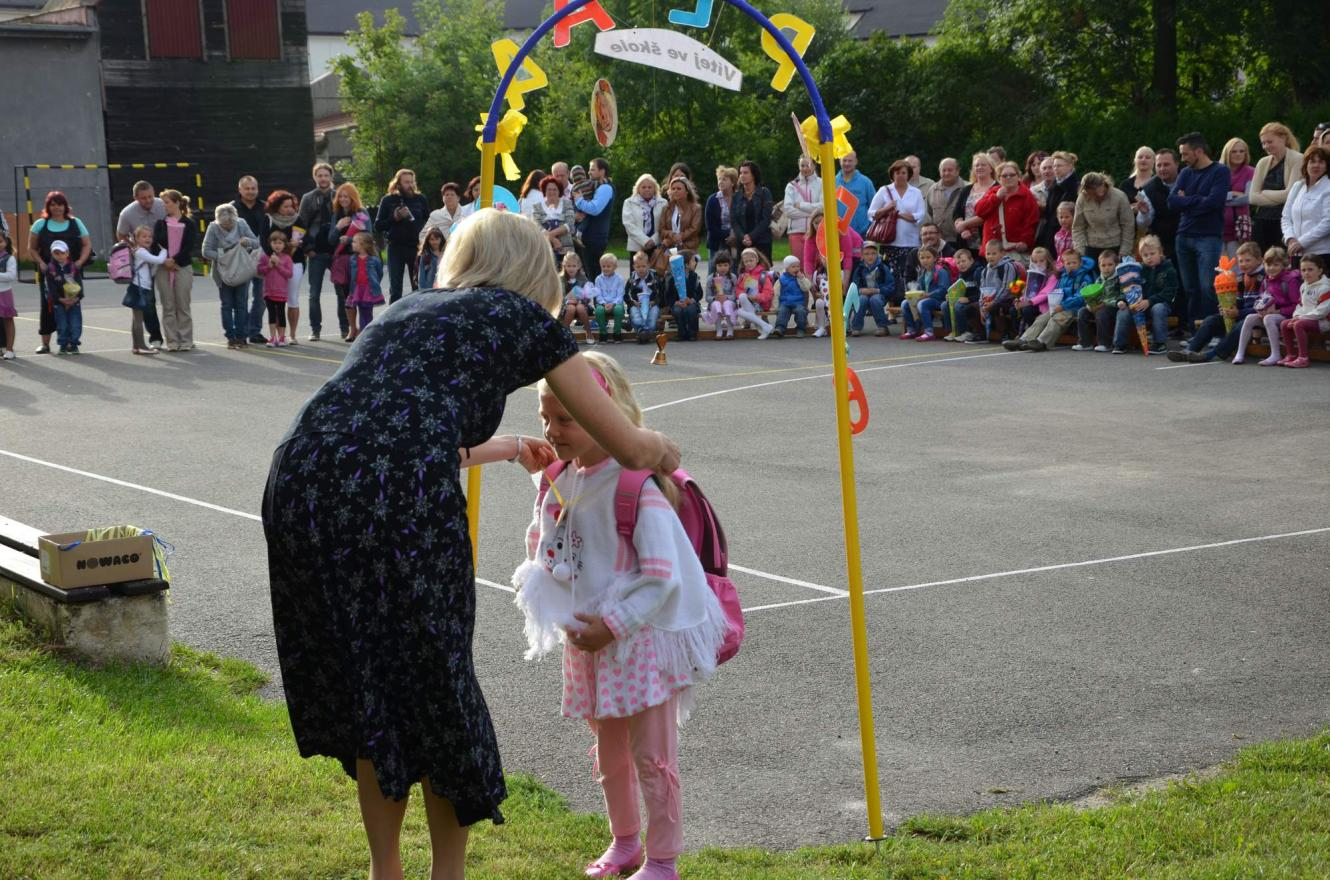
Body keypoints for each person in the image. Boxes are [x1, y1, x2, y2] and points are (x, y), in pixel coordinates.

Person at [263, 209, 679, 880]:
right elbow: (626, 443)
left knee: (373, 685)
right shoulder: (520, 318)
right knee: (437, 689)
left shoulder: (406, 310)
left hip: (301, 478)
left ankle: (385, 871)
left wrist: (510, 445)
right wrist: (664, 452)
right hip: (395, 494)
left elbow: (393, 429)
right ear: (532, 272)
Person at [515, 349, 723, 880]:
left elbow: (662, 576)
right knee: (610, 758)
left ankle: (663, 860)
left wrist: (613, 625)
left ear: (602, 412)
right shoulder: (560, 477)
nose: (552, 429)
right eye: (545, 416)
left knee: (653, 759)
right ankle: (626, 842)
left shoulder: (636, 486)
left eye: (565, 417)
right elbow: (549, 543)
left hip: (639, 646)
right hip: (590, 645)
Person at [1169, 132, 1231, 334]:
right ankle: (1195, 332)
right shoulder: (1186, 173)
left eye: (1185, 154)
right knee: (1190, 288)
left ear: (1199, 151)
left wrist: (1187, 200)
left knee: (1208, 287)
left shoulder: (1220, 171)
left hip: (1208, 236)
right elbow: (1172, 201)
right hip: (1184, 235)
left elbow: (1215, 201)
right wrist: (1198, 200)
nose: (1183, 159)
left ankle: (1213, 331)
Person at [1167, 239, 1257, 363]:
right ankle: (1189, 350)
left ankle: (1212, 354)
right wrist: (1228, 308)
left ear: (1259, 260)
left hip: (1255, 319)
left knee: (1242, 324)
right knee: (1211, 320)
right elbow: (1240, 302)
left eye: (1248, 260)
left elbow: (1261, 307)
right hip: (1241, 315)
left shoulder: (1263, 278)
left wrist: (1239, 313)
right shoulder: (1241, 279)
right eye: (1241, 261)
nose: (1244, 264)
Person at [27, 191, 91, 354]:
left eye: (60, 204)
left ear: (65, 206)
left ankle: (71, 342)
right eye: (53, 204)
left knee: (72, 306)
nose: (57, 208)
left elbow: (86, 244)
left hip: (71, 274)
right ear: (48, 207)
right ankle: (46, 343)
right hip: (50, 274)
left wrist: (79, 262)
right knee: (48, 306)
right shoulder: (40, 224)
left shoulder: (76, 223)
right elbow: (32, 248)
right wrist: (41, 263)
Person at [1012, 248, 1096, 352]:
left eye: (1074, 263)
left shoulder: (1084, 277)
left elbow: (1081, 296)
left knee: (1057, 319)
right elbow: (1058, 291)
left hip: (1074, 308)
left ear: (1080, 263)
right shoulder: (1064, 277)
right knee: (1042, 318)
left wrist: (1063, 305)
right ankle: (1024, 339)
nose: (1071, 265)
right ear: (1064, 264)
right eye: (1068, 263)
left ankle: (1043, 341)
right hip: (1060, 306)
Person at [202, 203, 260, 350]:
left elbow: (256, 243)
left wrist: (246, 241)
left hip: (241, 270)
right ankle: (230, 336)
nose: (227, 226)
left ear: (235, 219)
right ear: (218, 221)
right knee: (227, 305)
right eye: (224, 225)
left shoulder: (241, 224)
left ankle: (242, 336)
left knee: (241, 304)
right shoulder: (213, 227)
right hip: (223, 272)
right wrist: (223, 256)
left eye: (230, 224)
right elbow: (206, 251)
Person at [869, 159, 927, 294]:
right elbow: (871, 213)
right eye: (897, 172)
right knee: (890, 276)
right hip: (889, 241)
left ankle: (909, 304)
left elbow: (919, 215)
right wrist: (887, 209)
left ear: (908, 175)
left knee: (909, 275)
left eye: (903, 172)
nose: (900, 175)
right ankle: (891, 308)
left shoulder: (916, 192)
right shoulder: (884, 190)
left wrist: (898, 214)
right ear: (892, 174)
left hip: (910, 242)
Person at [296, 162, 338, 341]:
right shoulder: (308, 198)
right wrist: (306, 248)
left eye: (326, 175)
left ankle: (345, 327)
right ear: (315, 177)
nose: (323, 179)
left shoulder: (339, 196)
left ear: (331, 177)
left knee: (342, 292)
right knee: (314, 293)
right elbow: (301, 224)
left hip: (336, 251)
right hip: (316, 252)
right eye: (319, 175)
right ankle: (315, 329)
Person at [374, 168, 428, 303]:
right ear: (398, 183)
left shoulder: (420, 199)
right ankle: (394, 321)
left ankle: (417, 317)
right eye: (406, 182)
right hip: (395, 247)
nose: (409, 185)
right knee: (395, 289)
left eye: (411, 182)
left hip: (416, 247)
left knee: (418, 286)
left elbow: (429, 221)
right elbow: (378, 226)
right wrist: (394, 217)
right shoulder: (388, 200)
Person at [151, 189, 196, 351]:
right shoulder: (160, 224)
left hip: (182, 267)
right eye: (163, 202)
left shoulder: (189, 223)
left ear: (177, 203)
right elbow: (155, 245)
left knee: (182, 305)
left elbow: (189, 246)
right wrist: (165, 260)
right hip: (164, 268)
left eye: (167, 202)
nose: (164, 206)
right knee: (168, 305)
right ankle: (172, 340)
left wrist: (175, 260)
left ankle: (186, 339)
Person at [1249, 122, 1303, 253]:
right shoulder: (1263, 162)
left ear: (1283, 138)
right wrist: (1279, 195)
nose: (1266, 146)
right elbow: (1252, 198)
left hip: (1283, 223)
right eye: (1263, 143)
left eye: (1270, 141)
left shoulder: (1297, 159)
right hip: (1261, 221)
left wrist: (1264, 192)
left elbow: (1290, 194)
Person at [327, 183, 371, 341]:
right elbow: (331, 240)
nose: (343, 199)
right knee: (347, 297)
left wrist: (350, 239)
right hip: (341, 261)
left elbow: (369, 236)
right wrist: (338, 228)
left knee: (361, 295)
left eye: (346, 196)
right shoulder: (336, 215)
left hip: (358, 259)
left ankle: (365, 329)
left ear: (353, 197)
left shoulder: (361, 213)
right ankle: (352, 329)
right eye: (341, 196)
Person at [229, 176, 269, 345]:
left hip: (262, 256)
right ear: (240, 190)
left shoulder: (266, 207)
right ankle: (242, 331)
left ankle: (254, 331)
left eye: (254, 188)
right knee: (241, 297)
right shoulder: (231, 208)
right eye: (247, 188)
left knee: (262, 296)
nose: (251, 192)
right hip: (241, 257)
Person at [976, 161, 1039, 263]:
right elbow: (979, 211)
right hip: (992, 250)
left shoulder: (1026, 195)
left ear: (1018, 176)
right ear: (999, 178)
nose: (1008, 178)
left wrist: (1025, 241)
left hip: (1014, 250)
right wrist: (996, 198)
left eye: (1012, 175)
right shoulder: (993, 191)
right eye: (1004, 176)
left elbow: (1031, 222)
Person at [265, 190, 306, 343]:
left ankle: (292, 335)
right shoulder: (269, 220)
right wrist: (273, 257)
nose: (290, 209)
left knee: (293, 298)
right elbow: (264, 241)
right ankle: (276, 335)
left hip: (295, 263)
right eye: (285, 206)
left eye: (291, 206)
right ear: (276, 207)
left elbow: (305, 240)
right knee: (275, 299)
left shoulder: (298, 220)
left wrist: (298, 244)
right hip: (273, 264)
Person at [1251, 247, 1304, 365]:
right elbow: (1261, 299)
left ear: (1284, 265)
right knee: (1250, 317)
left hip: (1288, 315)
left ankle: (1275, 354)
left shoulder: (1290, 281)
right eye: (1268, 265)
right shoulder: (1265, 281)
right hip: (1272, 314)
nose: (1271, 268)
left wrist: (1278, 311)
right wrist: (1260, 309)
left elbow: (1297, 305)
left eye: (1276, 265)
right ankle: (1240, 352)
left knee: (1269, 318)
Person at [1276, 254, 1330, 368]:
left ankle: (1303, 358)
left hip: (1324, 321)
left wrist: (1300, 319)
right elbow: (1300, 305)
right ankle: (1291, 354)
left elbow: (1322, 311)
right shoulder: (1304, 286)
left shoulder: (1325, 287)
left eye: (1310, 269)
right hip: (1307, 319)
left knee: (1298, 324)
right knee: (1284, 324)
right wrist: (1296, 316)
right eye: (1303, 270)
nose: (1306, 273)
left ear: (1320, 270)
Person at [1281, 145, 1330, 264]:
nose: (1316, 165)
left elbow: (1327, 222)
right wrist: (1291, 239)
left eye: (1321, 162)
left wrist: (1302, 242)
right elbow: (1286, 217)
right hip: (1296, 253)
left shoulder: (1328, 187)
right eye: (1312, 161)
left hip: (1320, 253)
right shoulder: (1298, 186)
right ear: (1306, 164)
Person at [1071, 172, 1134, 263]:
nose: (1099, 193)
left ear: (1104, 183)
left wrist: (1125, 250)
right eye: (1093, 191)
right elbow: (1078, 227)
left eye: (1100, 187)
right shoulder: (1082, 199)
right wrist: (1080, 252)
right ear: (1086, 190)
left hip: (1115, 246)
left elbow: (1128, 225)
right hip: (1091, 247)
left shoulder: (1120, 197)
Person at [126, 225, 167, 356]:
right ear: (136, 238)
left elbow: (152, 270)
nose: (148, 239)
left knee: (136, 318)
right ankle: (140, 346)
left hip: (140, 286)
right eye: (144, 236)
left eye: (150, 236)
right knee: (138, 318)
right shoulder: (140, 252)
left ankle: (136, 346)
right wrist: (164, 251)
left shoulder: (141, 251)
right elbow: (159, 260)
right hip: (139, 288)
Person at [1073, 250, 1122, 352]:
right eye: (1103, 265)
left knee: (1101, 313)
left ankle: (1105, 343)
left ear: (1116, 265)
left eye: (1110, 265)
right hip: (1099, 305)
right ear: (1099, 266)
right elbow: (1093, 295)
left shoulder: (1119, 278)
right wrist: (1089, 305)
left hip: (1114, 306)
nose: (1107, 268)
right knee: (1082, 312)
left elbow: (1121, 295)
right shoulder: (1099, 279)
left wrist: (1103, 304)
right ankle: (1085, 343)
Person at [901, 246, 952, 341]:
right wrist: (912, 295)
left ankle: (929, 332)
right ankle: (911, 329)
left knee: (922, 303)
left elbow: (944, 289)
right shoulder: (923, 272)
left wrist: (929, 295)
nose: (925, 260)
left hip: (939, 300)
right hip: (926, 299)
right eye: (922, 258)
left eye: (928, 257)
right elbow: (920, 288)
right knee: (905, 303)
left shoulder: (941, 271)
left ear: (935, 258)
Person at [576, 158, 616, 273]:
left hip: (595, 238)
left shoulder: (605, 188)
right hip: (590, 238)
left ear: (602, 171)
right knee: (590, 273)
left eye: (592, 169)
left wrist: (579, 200)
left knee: (594, 274)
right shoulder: (598, 186)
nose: (589, 172)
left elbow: (595, 209)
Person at [784, 155, 823, 273]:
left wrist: (801, 205)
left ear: (814, 166)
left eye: (808, 165)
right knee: (798, 267)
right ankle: (802, 291)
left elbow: (823, 207)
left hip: (816, 230)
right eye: (802, 165)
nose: (805, 168)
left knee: (818, 265)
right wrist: (812, 212)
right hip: (796, 231)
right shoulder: (791, 186)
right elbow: (788, 210)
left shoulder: (822, 183)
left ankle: (817, 290)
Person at [953, 153, 997, 255]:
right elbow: (957, 213)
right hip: (965, 241)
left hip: (987, 241)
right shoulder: (967, 189)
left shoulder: (996, 188)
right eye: (977, 165)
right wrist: (963, 230)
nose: (979, 167)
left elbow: (988, 214)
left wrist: (964, 225)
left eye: (983, 165)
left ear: (991, 168)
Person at [1035, 151, 1080, 252]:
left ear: (1070, 166)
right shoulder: (1054, 185)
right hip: (1051, 234)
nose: (1055, 169)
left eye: (1059, 166)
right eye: (1054, 166)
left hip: (1067, 235)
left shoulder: (1075, 187)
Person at [1142, 148, 1182, 260]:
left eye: (1166, 165)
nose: (1162, 169)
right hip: (1163, 246)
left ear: (1177, 164)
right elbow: (1143, 223)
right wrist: (1144, 214)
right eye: (1159, 165)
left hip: (1189, 241)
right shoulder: (1148, 189)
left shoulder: (1189, 180)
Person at [731, 161, 774, 263]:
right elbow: (734, 220)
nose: (742, 175)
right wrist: (743, 237)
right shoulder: (736, 196)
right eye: (740, 173)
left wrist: (751, 236)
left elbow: (766, 219)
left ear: (754, 175)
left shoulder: (764, 193)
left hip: (762, 242)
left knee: (763, 275)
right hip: (742, 243)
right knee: (743, 276)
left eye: (746, 173)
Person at [46, 239, 84, 355]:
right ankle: (63, 345)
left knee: (75, 323)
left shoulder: (73, 268)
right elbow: (51, 289)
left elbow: (79, 285)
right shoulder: (50, 269)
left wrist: (76, 298)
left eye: (62, 253)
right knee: (62, 324)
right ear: (52, 254)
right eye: (56, 253)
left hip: (74, 301)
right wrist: (61, 300)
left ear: (67, 253)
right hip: (59, 302)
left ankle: (73, 344)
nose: (60, 256)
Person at [656, 177, 702, 273]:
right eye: (673, 189)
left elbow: (694, 228)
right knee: (670, 278)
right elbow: (662, 229)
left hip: (688, 247)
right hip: (670, 248)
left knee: (687, 277)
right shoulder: (667, 208)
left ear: (687, 192)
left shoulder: (696, 208)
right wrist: (672, 236)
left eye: (679, 189)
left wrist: (680, 236)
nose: (675, 191)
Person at [849, 241, 895, 336]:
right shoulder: (859, 269)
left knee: (875, 299)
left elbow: (891, 286)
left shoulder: (883, 268)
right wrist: (860, 290)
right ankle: (856, 327)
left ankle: (882, 327)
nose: (870, 256)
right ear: (862, 256)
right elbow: (854, 286)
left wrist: (878, 290)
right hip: (864, 294)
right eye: (867, 254)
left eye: (873, 253)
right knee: (861, 299)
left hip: (879, 294)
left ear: (878, 254)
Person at [258, 230, 294, 347]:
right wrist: (269, 266)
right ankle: (273, 337)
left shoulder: (287, 258)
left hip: (281, 292)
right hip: (269, 292)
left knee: (281, 314)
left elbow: (289, 274)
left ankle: (282, 337)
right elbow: (260, 270)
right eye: (274, 243)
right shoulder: (265, 257)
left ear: (284, 245)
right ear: (270, 244)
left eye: (280, 243)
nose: (277, 245)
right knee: (271, 314)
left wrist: (278, 265)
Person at [1220, 137, 1256, 258]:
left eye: (1242, 151)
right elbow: (1211, 197)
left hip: (1239, 229)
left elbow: (1247, 198)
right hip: (1217, 226)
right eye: (1234, 151)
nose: (1238, 154)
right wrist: (1233, 194)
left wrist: (1221, 199)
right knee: (1219, 268)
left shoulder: (1250, 171)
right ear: (1227, 153)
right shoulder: (1218, 171)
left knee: (1237, 266)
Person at [526, 175, 575, 262]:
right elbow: (537, 226)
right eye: (549, 189)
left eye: (554, 189)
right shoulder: (537, 207)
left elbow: (570, 223)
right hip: (545, 248)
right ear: (544, 190)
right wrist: (553, 240)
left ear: (559, 191)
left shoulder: (567, 204)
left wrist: (551, 235)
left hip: (566, 249)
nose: (552, 192)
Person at [346, 231, 384, 337]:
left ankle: (366, 333)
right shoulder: (353, 259)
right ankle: (364, 334)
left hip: (369, 290)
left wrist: (373, 285)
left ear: (362, 245)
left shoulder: (374, 260)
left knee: (367, 312)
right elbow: (350, 274)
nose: (352, 244)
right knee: (362, 311)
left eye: (354, 242)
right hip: (358, 290)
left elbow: (379, 274)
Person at [623, 174, 665, 266]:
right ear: (638, 188)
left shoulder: (663, 203)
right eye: (643, 187)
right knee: (637, 276)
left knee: (656, 277)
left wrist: (653, 240)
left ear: (655, 189)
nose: (647, 189)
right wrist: (645, 241)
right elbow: (629, 224)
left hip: (657, 246)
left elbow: (665, 225)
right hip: (637, 247)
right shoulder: (629, 202)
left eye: (650, 187)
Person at [662, 251, 702, 341]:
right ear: (686, 264)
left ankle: (692, 333)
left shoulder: (694, 277)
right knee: (678, 311)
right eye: (693, 260)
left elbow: (699, 293)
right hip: (677, 303)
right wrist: (675, 302)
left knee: (691, 310)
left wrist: (692, 300)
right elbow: (668, 295)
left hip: (691, 302)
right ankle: (682, 333)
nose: (695, 262)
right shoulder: (672, 278)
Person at [735, 247, 774, 338]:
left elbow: (768, 294)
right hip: (748, 304)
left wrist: (755, 297)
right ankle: (765, 326)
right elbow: (738, 290)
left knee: (737, 310)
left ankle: (764, 327)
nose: (748, 263)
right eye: (746, 261)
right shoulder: (743, 276)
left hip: (760, 305)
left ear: (756, 260)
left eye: (751, 260)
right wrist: (746, 296)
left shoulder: (763, 275)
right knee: (741, 297)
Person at [705, 166, 738, 272]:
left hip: (735, 241)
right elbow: (710, 225)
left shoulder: (739, 198)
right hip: (716, 241)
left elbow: (742, 220)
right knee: (714, 271)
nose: (720, 182)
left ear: (732, 182)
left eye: (724, 179)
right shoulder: (712, 200)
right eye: (719, 179)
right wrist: (728, 235)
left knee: (733, 271)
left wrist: (735, 236)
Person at [834, 151, 875, 236]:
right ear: (840, 161)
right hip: (838, 233)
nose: (847, 163)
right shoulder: (832, 182)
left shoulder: (866, 182)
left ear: (856, 161)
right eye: (844, 160)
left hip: (862, 233)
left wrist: (870, 226)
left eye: (850, 160)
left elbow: (874, 206)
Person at [627, 251, 665, 342]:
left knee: (652, 320)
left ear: (648, 265)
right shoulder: (632, 279)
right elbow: (626, 294)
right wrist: (633, 302)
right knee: (637, 320)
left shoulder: (654, 277)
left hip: (651, 304)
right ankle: (645, 333)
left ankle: (641, 334)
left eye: (643, 266)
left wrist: (654, 302)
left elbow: (660, 293)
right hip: (637, 305)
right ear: (634, 267)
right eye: (638, 267)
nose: (641, 269)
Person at [925, 158, 964, 244]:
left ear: (957, 171)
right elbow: (929, 214)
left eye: (950, 170)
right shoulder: (932, 190)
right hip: (939, 241)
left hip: (962, 240)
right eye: (944, 170)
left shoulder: (967, 188)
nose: (946, 173)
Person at [770, 254, 810, 338]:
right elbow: (775, 293)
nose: (796, 269)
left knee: (800, 312)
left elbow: (806, 288)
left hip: (798, 303)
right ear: (787, 268)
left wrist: (802, 279)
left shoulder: (800, 278)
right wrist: (776, 306)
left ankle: (801, 329)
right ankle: (780, 328)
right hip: (785, 303)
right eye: (793, 267)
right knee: (782, 312)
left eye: (798, 266)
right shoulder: (781, 279)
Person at [591, 253, 628, 344]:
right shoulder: (598, 279)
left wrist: (613, 304)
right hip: (603, 303)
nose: (606, 268)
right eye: (603, 266)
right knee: (599, 311)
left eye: (608, 266)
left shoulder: (619, 279)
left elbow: (620, 295)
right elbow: (598, 295)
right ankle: (603, 334)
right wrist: (604, 304)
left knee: (619, 310)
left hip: (616, 303)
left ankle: (617, 334)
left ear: (615, 267)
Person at [705, 251, 737, 339]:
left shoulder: (733, 277)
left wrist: (726, 297)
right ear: (715, 266)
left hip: (730, 303)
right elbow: (707, 298)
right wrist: (715, 298)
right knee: (716, 304)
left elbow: (735, 296)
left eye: (725, 265)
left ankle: (730, 330)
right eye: (720, 265)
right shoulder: (711, 278)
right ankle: (719, 330)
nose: (723, 268)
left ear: (729, 265)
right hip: (716, 303)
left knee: (727, 303)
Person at [0, 233, 16, 360]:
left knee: (8, 320)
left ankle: (10, 349)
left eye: (0, 241)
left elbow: (11, 276)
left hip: (4, 294)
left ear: (5, 242)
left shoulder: (9, 259)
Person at [417, 226, 447, 291]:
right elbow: (421, 274)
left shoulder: (447, 253)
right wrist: (422, 290)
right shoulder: (425, 254)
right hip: (430, 288)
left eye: (437, 239)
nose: (435, 242)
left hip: (444, 287)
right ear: (428, 240)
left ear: (441, 239)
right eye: (432, 239)